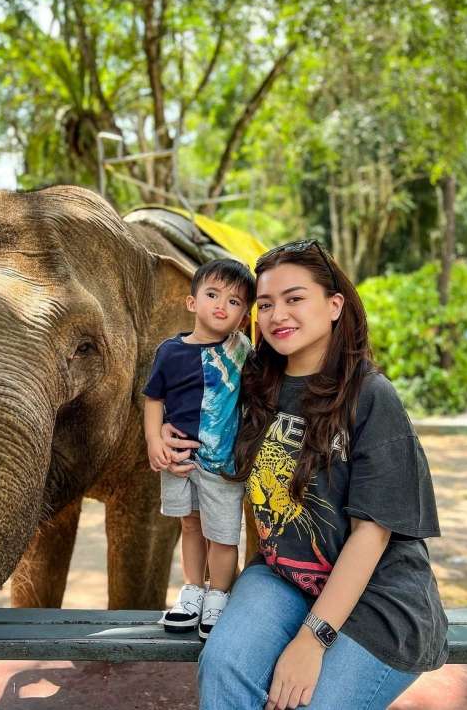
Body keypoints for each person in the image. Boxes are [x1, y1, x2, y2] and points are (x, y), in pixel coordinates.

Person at [163, 241, 448, 709]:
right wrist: (169, 441)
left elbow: (371, 537)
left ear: (334, 305)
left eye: (294, 298)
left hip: (377, 596)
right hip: (283, 576)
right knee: (223, 666)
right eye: (266, 304)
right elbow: (192, 406)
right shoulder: (253, 385)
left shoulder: (371, 396)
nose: (277, 315)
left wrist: (312, 641)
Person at [143, 258, 256, 639]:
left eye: (235, 301)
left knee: (223, 533)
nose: (222, 305)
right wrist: (154, 440)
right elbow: (153, 400)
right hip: (179, 461)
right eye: (212, 294)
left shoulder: (241, 351)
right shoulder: (170, 352)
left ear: (243, 317)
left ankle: (219, 595)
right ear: (192, 303)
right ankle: (192, 591)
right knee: (189, 525)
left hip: (223, 462)